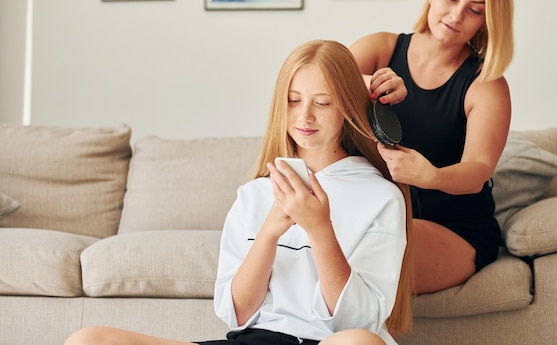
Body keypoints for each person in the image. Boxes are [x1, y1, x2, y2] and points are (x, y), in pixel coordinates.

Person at [63, 40, 413, 345]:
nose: (304, 116)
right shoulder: (254, 194)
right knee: (88, 339)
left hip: (331, 341)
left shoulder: (379, 197)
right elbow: (237, 313)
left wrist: (320, 230)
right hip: (255, 341)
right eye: (293, 100)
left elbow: (358, 324)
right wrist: (271, 230)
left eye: (322, 103)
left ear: (348, 107)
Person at [349, 0, 514, 295]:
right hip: (375, 214)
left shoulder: (486, 84)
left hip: (454, 228)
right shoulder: (380, 49)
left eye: (474, 10)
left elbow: (478, 168)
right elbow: (314, 81)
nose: (456, 16)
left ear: (488, 19)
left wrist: (431, 176)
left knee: (375, 250)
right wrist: (372, 84)